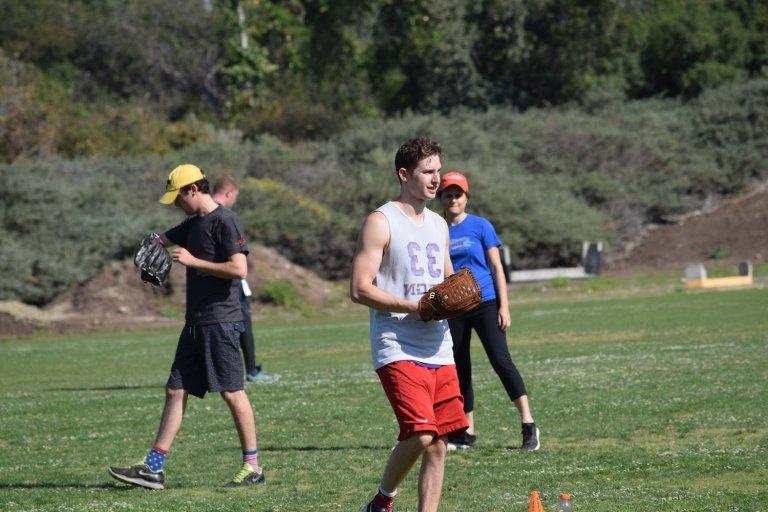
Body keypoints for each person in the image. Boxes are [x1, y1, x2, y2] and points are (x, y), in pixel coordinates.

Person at [108, 164, 266, 489]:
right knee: (175, 390)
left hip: (221, 321)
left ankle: (252, 466)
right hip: (194, 323)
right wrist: (151, 245)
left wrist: (195, 263)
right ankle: (153, 468)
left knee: (233, 393)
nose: (176, 204)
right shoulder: (192, 223)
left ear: (193, 189)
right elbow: (162, 239)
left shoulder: (224, 221)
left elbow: (239, 268)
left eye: (178, 197)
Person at [350, 138, 468, 512]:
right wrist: (413, 306)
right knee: (420, 433)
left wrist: (458, 295)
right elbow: (358, 289)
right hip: (397, 344)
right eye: (427, 172)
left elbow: (447, 281)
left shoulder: (438, 223)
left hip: (439, 346)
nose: (436, 179)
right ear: (404, 174)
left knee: (439, 442)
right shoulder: (381, 221)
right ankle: (382, 501)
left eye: (438, 170)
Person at [437, 171, 539, 451]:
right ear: (441, 199)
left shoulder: (481, 226)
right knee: (460, 368)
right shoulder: (438, 229)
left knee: (500, 360)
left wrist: (504, 306)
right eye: (448, 194)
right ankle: (466, 432)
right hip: (456, 307)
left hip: (485, 303)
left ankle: (528, 425)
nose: (453, 199)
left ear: (467, 197)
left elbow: (497, 268)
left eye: (458, 194)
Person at [212, 175, 279, 384]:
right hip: (231, 282)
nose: (235, 201)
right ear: (229, 192)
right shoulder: (225, 216)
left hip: (214, 282)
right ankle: (250, 371)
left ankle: (223, 371)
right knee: (242, 326)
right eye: (235, 197)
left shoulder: (201, 215)